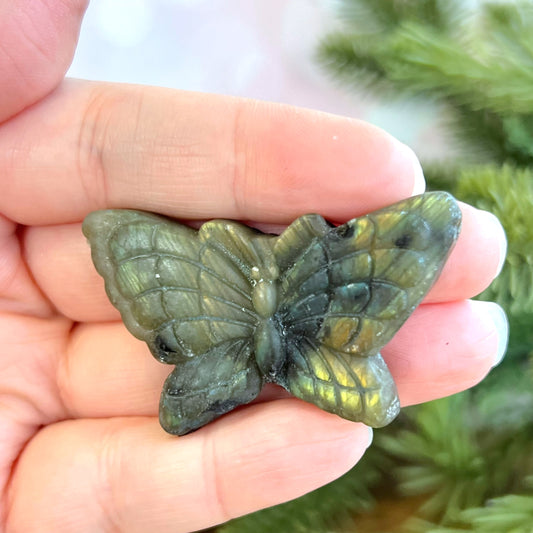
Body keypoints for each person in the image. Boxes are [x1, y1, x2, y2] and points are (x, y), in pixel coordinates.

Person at [0, 1, 508, 531]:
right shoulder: (145, 241)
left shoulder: (215, 270)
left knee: (365, 403)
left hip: (237, 348)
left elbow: (419, 228)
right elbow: (121, 237)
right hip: (306, 351)